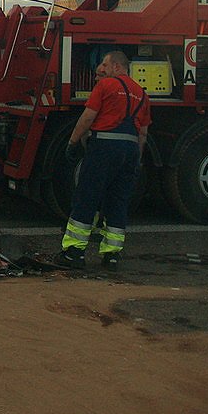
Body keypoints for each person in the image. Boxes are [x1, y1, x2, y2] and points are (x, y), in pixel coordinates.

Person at [55, 51, 151, 271]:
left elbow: (88, 117)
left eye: (105, 65)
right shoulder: (142, 95)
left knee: (87, 196)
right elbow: (143, 133)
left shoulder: (106, 86)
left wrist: (72, 142)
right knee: (118, 201)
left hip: (104, 149)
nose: (101, 69)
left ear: (117, 66)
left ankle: (74, 253)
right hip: (129, 152)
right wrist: (136, 160)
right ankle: (112, 255)